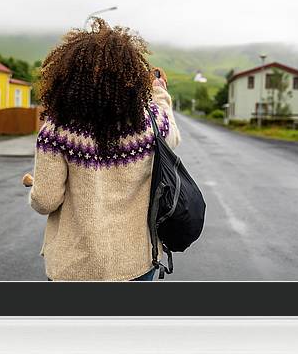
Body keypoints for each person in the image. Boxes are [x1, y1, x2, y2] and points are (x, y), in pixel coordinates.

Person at [22, 18, 180, 281]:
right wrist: (160, 92)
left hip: (74, 268)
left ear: (68, 76)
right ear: (130, 78)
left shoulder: (57, 130)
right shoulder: (151, 122)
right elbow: (171, 134)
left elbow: (45, 201)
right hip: (136, 263)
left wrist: (36, 187)